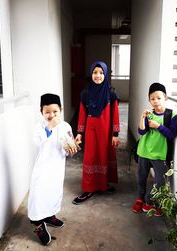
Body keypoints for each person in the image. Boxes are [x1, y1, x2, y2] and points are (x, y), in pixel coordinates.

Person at [28, 93, 78, 246]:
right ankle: (37, 223)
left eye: (55, 112)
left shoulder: (66, 126)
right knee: (38, 195)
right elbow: (37, 142)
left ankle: (49, 216)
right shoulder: (40, 126)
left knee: (53, 192)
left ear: (61, 110)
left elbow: (67, 145)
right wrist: (50, 127)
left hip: (57, 169)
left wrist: (72, 148)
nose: (51, 115)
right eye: (47, 112)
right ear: (41, 112)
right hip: (43, 169)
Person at [72, 60, 120, 205]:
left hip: (106, 131)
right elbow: (82, 113)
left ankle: (102, 184)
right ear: (91, 74)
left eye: (101, 73)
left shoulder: (111, 93)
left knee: (104, 155)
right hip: (91, 130)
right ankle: (88, 189)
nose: (98, 75)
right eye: (95, 72)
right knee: (90, 157)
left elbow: (115, 113)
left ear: (105, 75)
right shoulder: (86, 93)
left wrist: (115, 134)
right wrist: (80, 132)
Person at [132, 82, 177, 216]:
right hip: (144, 151)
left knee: (160, 181)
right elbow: (141, 132)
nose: (155, 101)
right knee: (141, 177)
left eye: (159, 98)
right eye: (152, 99)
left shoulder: (171, 115)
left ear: (165, 98)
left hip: (160, 154)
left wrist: (158, 126)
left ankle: (154, 202)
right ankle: (140, 198)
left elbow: (172, 134)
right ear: (149, 99)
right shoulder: (149, 113)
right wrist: (142, 117)